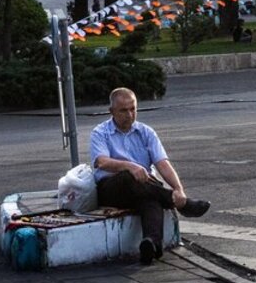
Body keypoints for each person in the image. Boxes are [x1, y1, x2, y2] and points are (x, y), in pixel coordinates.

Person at [89, 87, 211, 265]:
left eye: (133, 109)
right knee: (129, 176)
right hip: (111, 188)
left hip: (144, 187)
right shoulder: (100, 132)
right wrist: (131, 166)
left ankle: (151, 244)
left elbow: (162, 163)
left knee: (151, 200)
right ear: (112, 111)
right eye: (123, 110)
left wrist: (178, 189)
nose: (129, 115)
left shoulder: (146, 132)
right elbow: (102, 162)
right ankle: (181, 204)